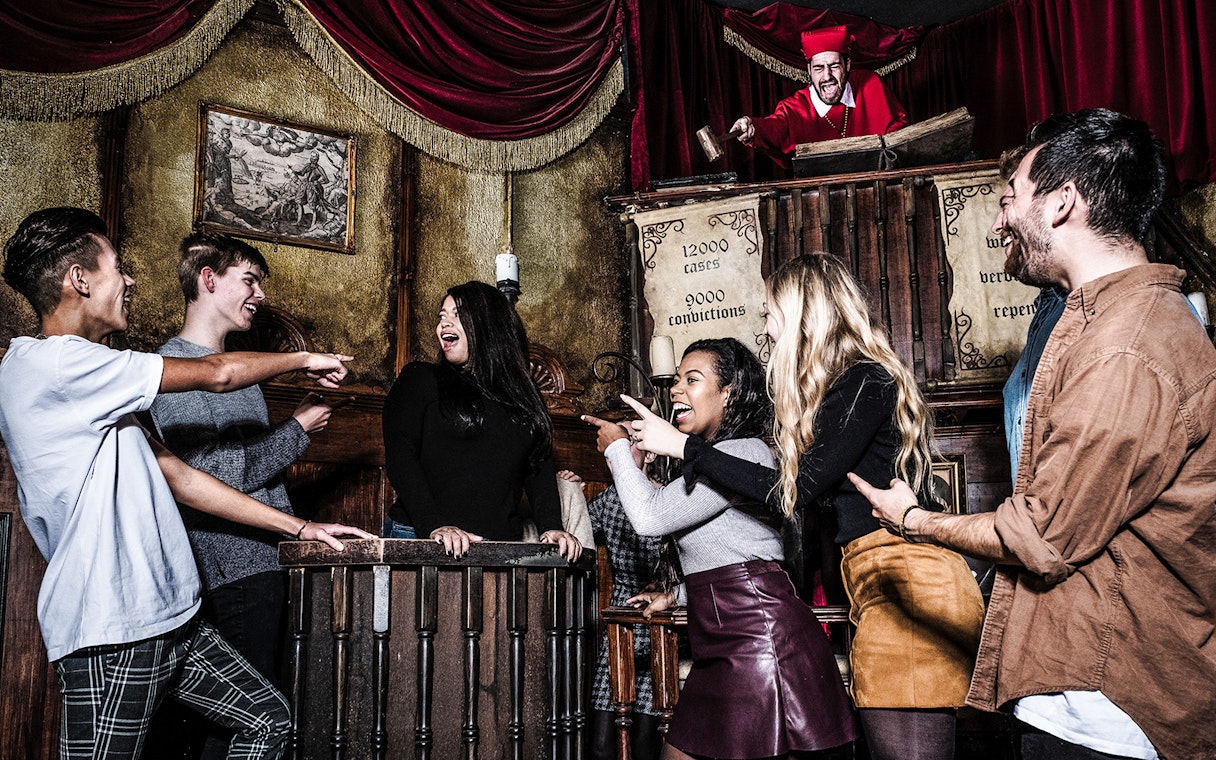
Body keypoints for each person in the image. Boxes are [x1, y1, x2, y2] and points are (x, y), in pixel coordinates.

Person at [849, 109, 1216, 760]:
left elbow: (1041, 536)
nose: (997, 222)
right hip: (1082, 694)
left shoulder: (1124, 349)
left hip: (1111, 710)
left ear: (1063, 203)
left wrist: (917, 520)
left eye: (1008, 198)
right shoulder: (1104, 324)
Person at [0, 206, 374, 760]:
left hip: (174, 623)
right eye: (116, 268)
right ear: (78, 280)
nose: (130, 280)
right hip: (113, 629)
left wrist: (301, 526)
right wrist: (304, 358)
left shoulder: (94, 380)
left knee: (268, 721)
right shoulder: (54, 366)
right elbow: (219, 375)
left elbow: (181, 478)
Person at [622, 257, 985, 760]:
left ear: (803, 315)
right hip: (877, 580)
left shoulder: (866, 381)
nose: (764, 326)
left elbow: (793, 491)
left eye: (771, 313)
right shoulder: (842, 390)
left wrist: (685, 449)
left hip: (907, 577)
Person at [585, 338, 858, 760]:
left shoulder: (743, 451)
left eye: (692, 379)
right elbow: (733, 553)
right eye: (675, 380)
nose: (676, 390)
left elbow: (650, 517)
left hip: (758, 642)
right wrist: (678, 594)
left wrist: (618, 449)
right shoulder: (714, 458)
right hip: (725, 641)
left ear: (729, 393)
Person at [150, 231, 340, 759]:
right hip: (230, 570)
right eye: (249, 280)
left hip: (262, 562)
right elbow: (211, 476)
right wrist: (297, 428)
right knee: (239, 722)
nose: (259, 294)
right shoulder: (175, 366)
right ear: (208, 280)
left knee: (253, 719)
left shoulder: (244, 373)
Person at [381, 280, 581, 561]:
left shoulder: (523, 394)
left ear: (489, 325)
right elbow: (402, 459)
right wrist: (434, 526)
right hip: (421, 536)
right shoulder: (421, 379)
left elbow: (538, 466)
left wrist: (552, 527)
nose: (444, 325)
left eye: (457, 315)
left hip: (498, 546)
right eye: (442, 316)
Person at [557, 461, 666, 760]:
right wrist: (571, 496)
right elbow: (573, 536)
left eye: (632, 436)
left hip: (662, 620)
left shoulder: (669, 495)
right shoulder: (610, 499)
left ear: (649, 453)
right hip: (622, 621)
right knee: (602, 742)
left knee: (647, 740)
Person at [730, 25, 909, 169]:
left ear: (847, 65)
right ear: (809, 70)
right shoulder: (793, 107)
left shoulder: (870, 84)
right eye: (818, 68)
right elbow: (775, 126)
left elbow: (898, 127)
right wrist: (752, 127)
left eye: (834, 66)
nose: (827, 76)